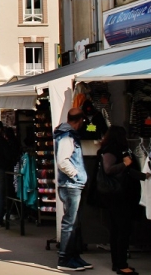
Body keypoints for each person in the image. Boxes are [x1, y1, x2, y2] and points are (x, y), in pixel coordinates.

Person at [98, 126, 147, 275]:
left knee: (117, 230)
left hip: (116, 196)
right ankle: (121, 264)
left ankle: (118, 263)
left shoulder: (112, 149)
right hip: (119, 196)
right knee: (122, 230)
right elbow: (109, 169)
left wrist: (143, 176)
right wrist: (125, 163)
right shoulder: (113, 150)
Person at [54, 107, 92, 272]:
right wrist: (76, 175)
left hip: (71, 184)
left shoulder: (67, 134)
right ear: (79, 121)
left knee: (73, 223)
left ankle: (73, 256)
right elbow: (63, 161)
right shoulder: (67, 136)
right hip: (71, 184)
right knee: (70, 222)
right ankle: (65, 258)